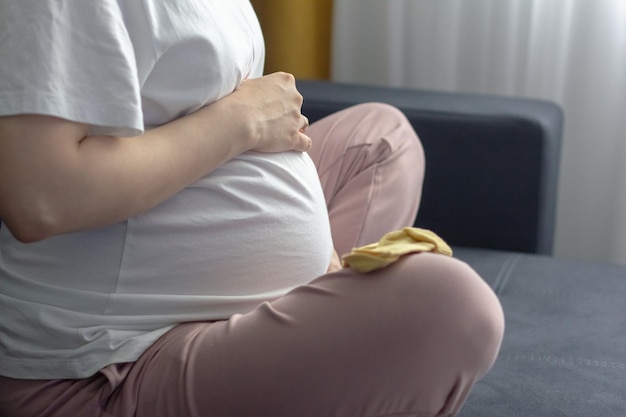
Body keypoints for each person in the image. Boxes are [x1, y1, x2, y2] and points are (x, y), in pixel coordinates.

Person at [0, 1, 504, 416]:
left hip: (180, 252)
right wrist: (240, 121)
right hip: (105, 365)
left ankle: (296, 318)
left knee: (382, 139)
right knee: (453, 309)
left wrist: (306, 240)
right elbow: (40, 197)